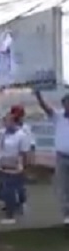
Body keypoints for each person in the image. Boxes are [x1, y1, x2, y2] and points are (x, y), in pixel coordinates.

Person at [34, 90, 69, 226]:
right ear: (63, 105)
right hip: (62, 157)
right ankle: (67, 214)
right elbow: (45, 108)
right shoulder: (58, 117)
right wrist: (38, 96)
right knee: (63, 186)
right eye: (66, 104)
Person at [0, 111, 31, 225]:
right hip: (2, 165)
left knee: (10, 190)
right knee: (4, 189)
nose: (5, 123)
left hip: (14, 167)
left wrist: (24, 168)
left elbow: (24, 153)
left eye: (7, 121)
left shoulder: (21, 135)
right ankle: (15, 205)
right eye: (4, 121)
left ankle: (10, 215)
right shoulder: (4, 133)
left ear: (13, 122)